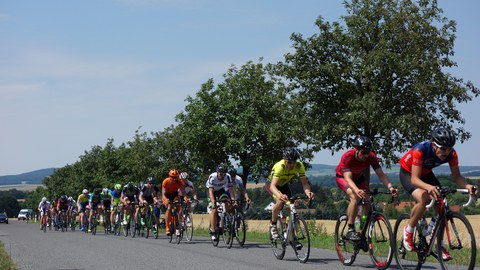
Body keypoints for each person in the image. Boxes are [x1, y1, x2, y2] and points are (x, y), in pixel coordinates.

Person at [399, 128, 477, 260]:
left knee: (441, 204)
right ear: (434, 145)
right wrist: (429, 187)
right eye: (443, 148)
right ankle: (408, 230)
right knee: (424, 199)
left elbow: (457, 177)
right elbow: (415, 179)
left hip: (426, 173)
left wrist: (467, 186)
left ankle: (438, 244)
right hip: (408, 173)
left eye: (449, 149)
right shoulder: (420, 150)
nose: (446, 152)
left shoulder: (452, 154)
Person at [335, 136, 397, 241]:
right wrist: (357, 190)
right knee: (355, 197)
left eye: (368, 152)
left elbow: (381, 175)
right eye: (363, 152)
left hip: (359, 178)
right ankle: (350, 229)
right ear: (356, 149)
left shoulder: (371, 157)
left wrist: (391, 187)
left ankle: (361, 230)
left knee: (368, 202)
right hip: (343, 178)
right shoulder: (347, 157)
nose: (366, 155)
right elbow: (348, 178)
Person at [266, 147, 314, 240]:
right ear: (285, 160)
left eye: (293, 162)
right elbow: (273, 186)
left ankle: (290, 233)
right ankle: (273, 225)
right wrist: (279, 195)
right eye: (289, 162)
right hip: (271, 185)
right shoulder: (280, 166)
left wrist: (308, 192)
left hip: (283, 185)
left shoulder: (299, 166)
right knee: (279, 202)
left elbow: (305, 183)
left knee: (292, 206)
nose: (291, 165)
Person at [206, 163, 236, 241]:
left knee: (226, 200)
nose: (222, 175)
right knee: (214, 209)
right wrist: (213, 202)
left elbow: (231, 189)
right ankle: (213, 230)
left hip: (220, 190)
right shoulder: (213, 177)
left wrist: (233, 200)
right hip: (211, 191)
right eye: (220, 173)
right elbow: (211, 192)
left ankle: (225, 221)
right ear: (217, 172)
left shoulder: (228, 177)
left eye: (224, 174)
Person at [162, 169, 184, 236]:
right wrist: (165, 199)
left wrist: (185, 197)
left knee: (178, 207)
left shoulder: (179, 182)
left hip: (174, 194)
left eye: (175, 177)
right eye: (172, 177)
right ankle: (167, 227)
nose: (174, 179)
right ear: (169, 176)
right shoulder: (165, 181)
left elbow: (182, 192)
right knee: (169, 207)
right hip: (167, 195)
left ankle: (177, 224)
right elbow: (163, 193)